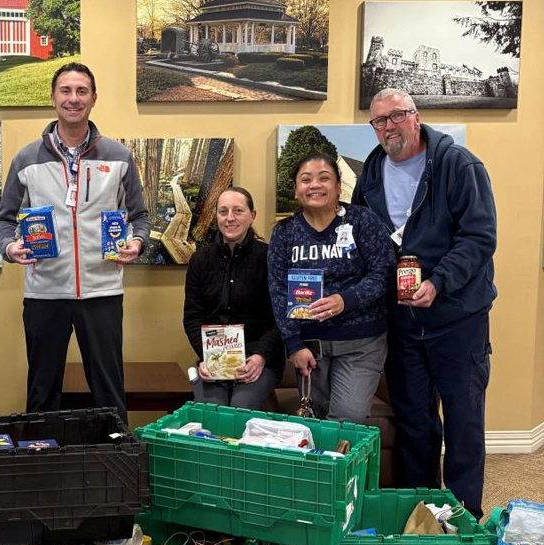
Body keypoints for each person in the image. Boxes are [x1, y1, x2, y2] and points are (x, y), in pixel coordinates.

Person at [353, 88, 496, 519]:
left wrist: (439, 282)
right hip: (402, 323)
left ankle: (463, 517)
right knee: (415, 421)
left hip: (457, 318)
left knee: (463, 421)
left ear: (416, 117)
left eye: (397, 115)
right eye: (379, 120)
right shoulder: (372, 172)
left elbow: (479, 238)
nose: (389, 126)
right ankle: (422, 515)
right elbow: (363, 237)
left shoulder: (458, 165)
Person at [0, 62, 150, 423]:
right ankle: (43, 465)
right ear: (53, 98)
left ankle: (114, 468)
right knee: (42, 391)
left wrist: (137, 243)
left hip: (102, 292)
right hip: (44, 294)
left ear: (94, 98)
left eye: (82, 91)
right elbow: (5, 220)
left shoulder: (119, 157)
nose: (73, 98)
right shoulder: (26, 159)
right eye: (65, 90)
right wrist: (10, 248)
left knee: (109, 391)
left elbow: (140, 217)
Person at [267, 153, 395, 424]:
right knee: (316, 422)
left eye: (324, 178)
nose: (315, 185)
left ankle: (345, 467)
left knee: (347, 418)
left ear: (338, 186)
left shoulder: (363, 222)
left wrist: (344, 300)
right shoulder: (284, 233)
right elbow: (278, 291)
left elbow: (384, 273)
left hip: (361, 343)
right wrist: (293, 344)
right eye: (306, 179)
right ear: (296, 190)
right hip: (310, 347)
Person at [183, 187, 284, 409]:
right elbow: (192, 317)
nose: (230, 218)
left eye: (238, 211)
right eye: (223, 211)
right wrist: (206, 357)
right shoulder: (200, 260)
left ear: (252, 215)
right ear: (216, 216)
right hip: (214, 360)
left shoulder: (270, 257)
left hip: (257, 360)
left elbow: (281, 317)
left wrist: (260, 356)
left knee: (239, 410)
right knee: (212, 414)